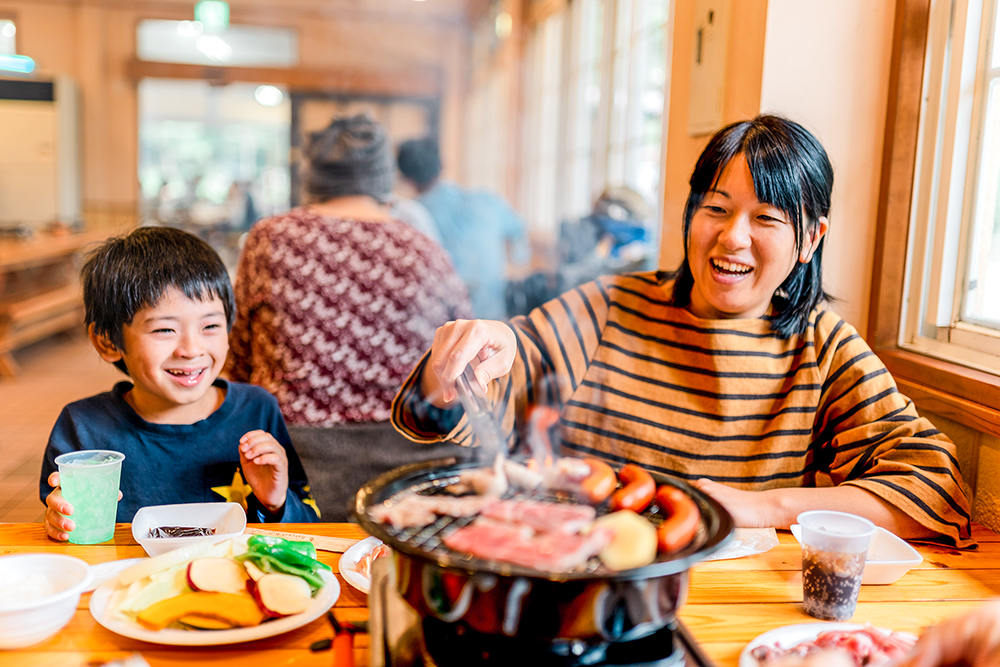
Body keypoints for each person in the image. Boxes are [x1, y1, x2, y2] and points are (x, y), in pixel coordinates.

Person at [391, 114, 974, 548]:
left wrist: (763, 506)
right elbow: (492, 384)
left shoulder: (822, 347)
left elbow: (935, 489)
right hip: (587, 582)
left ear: (810, 240)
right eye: (715, 208)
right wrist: (470, 364)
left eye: (766, 219)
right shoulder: (611, 306)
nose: (733, 239)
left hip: (739, 614)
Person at [39, 227, 319, 541]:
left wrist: (275, 503)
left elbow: (310, 527)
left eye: (210, 325)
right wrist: (59, 522)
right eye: (164, 330)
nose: (191, 349)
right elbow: (63, 527)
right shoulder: (83, 427)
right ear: (107, 341)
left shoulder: (257, 409)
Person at [226, 114, 471, 426]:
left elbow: (237, 357)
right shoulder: (424, 249)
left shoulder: (271, 237)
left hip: (288, 452)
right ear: (384, 175)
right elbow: (460, 356)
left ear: (313, 173)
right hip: (405, 452)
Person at [397, 136, 529, 320]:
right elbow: (519, 232)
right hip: (496, 321)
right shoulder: (487, 199)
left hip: (445, 324)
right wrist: (518, 260)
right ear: (442, 165)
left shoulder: (411, 214)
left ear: (406, 178)